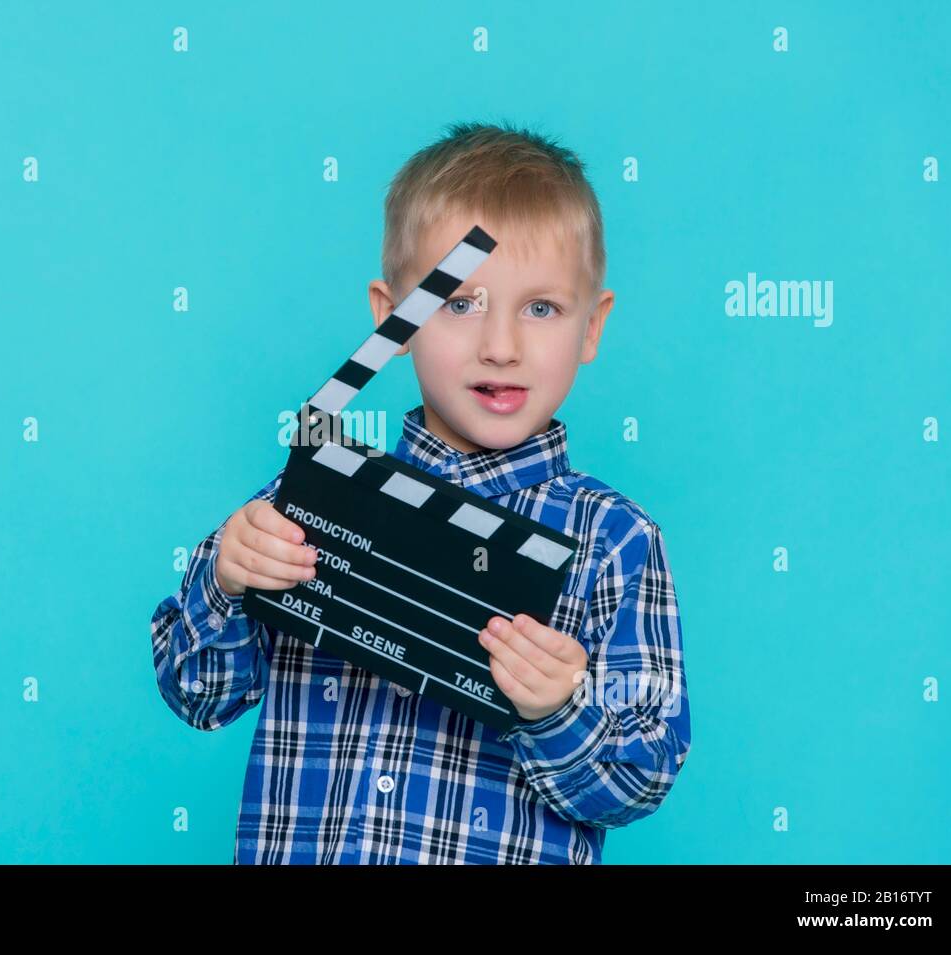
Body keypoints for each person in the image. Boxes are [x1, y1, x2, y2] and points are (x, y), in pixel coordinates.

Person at [149, 120, 691, 864]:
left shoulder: (616, 542)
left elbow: (642, 777)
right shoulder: (310, 502)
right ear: (391, 318)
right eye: (458, 302)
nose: (501, 344)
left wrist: (561, 709)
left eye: (541, 308)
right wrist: (224, 580)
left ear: (591, 327)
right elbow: (198, 691)